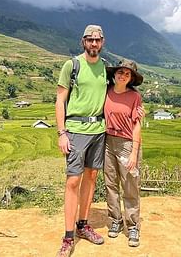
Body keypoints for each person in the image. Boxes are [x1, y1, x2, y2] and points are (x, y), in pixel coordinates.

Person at [55, 24, 108, 257]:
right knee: (73, 182)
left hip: (99, 129)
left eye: (97, 40)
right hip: (75, 130)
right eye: (90, 40)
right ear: (83, 41)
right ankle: (68, 237)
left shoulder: (106, 67)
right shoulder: (72, 65)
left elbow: (118, 93)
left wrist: (136, 109)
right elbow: (59, 100)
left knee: (92, 177)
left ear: (102, 42)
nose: (94, 44)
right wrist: (61, 133)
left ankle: (83, 225)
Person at [103, 59, 143, 247]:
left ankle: (133, 225)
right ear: (115, 74)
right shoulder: (106, 91)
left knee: (130, 185)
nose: (123, 75)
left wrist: (134, 153)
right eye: (120, 72)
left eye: (127, 74)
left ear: (131, 78)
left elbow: (137, 126)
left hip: (127, 143)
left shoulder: (135, 97)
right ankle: (115, 220)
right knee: (110, 183)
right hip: (108, 141)